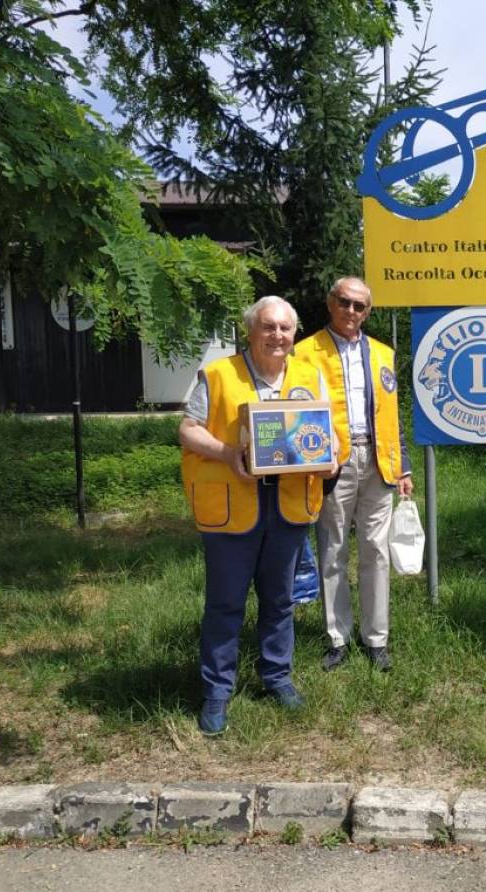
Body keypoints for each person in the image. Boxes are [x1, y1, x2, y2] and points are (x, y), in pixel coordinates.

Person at [179, 296, 335, 735]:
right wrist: (229, 454)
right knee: (225, 603)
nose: (278, 336)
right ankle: (217, 691)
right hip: (233, 505)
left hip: (287, 504)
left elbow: (325, 434)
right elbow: (188, 430)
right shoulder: (218, 374)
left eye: (286, 329)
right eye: (269, 327)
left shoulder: (310, 375)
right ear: (250, 331)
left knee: (280, 599)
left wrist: (330, 459)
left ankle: (276, 677)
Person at [296, 277, 412, 673]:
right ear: (331, 302)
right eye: (345, 302)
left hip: (378, 462)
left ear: (368, 312)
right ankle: (337, 638)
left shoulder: (382, 353)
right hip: (331, 464)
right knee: (332, 551)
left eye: (360, 306)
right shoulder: (303, 352)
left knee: (376, 552)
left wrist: (404, 467)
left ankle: (376, 640)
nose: (351, 311)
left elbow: (392, 414)